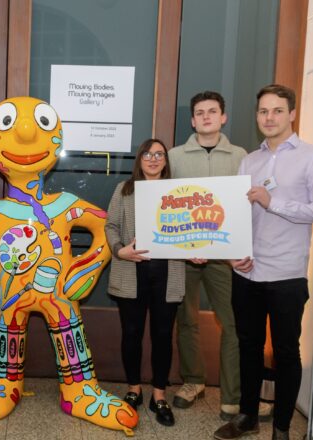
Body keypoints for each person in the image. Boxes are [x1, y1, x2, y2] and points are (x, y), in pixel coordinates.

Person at [214, 84, 313, 440]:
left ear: (292, 114)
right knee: (248, 347)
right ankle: (248, 416)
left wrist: (274, 202)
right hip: (247, 273)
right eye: (263, 111)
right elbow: (238, 214)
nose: (269, 118)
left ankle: (282, 428)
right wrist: (233, 253)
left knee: (286, 352)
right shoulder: (249, 161)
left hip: (286, 274)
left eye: (277, 110)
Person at [169, 91, 247, 420]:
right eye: (199, 112)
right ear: (192, 120)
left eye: (212, 111)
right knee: (186, 320)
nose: (206, 117)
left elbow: (243, 205)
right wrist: (185, 248)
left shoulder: (241, 156)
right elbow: (165, 203)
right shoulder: (174, 156)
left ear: (223, 117)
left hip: (225, 256)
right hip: (183, 255)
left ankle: (232, 396)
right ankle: (193, 381)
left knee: (232, 322)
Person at [105, 138, 186, 427]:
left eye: (159, 154)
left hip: (167, 273)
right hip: (132, 271)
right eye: (148, 154)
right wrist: (120, 250)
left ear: (166, 160)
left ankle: (159, 395)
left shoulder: (178, 192)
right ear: (140, 159)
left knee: (163, 335)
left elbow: (188, 230)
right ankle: (134, 389)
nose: (153, 159)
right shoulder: (124, 189)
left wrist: (196, 248)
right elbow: (111, 225)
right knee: (132, 333)